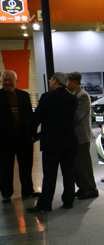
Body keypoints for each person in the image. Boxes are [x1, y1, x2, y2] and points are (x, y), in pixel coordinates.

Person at [27, 72, 79, 213]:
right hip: (70, 141)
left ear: (55, 81)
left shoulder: (47, 97)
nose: (50, 82)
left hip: (52, 142)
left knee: (50, 175)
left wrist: (31, 135)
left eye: (51, 80)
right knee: (69, 173)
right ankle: (68, 201)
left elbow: (38, 117)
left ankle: (45, 204)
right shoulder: (72, 98)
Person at [0, 70, 41, 203]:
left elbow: (29, 116)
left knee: (26, 165)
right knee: (5, 167)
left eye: (10, 80)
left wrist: (32, 134)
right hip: (5, 139)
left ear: (16, 81)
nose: (7, 82)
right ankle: (6, 194)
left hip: (24, 137)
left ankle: (28, 191)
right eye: (4, 80)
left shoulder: (24, 95)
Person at [66, 72, 99, 199]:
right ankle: (83, 187)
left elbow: (77, 116)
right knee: (76, 165)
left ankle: (91, 189)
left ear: (74, 82)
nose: (66, 84)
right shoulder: (75, 95)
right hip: (75, 136)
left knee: (83, 165)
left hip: (81, 136)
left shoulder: (82, 96)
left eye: (68, 81)